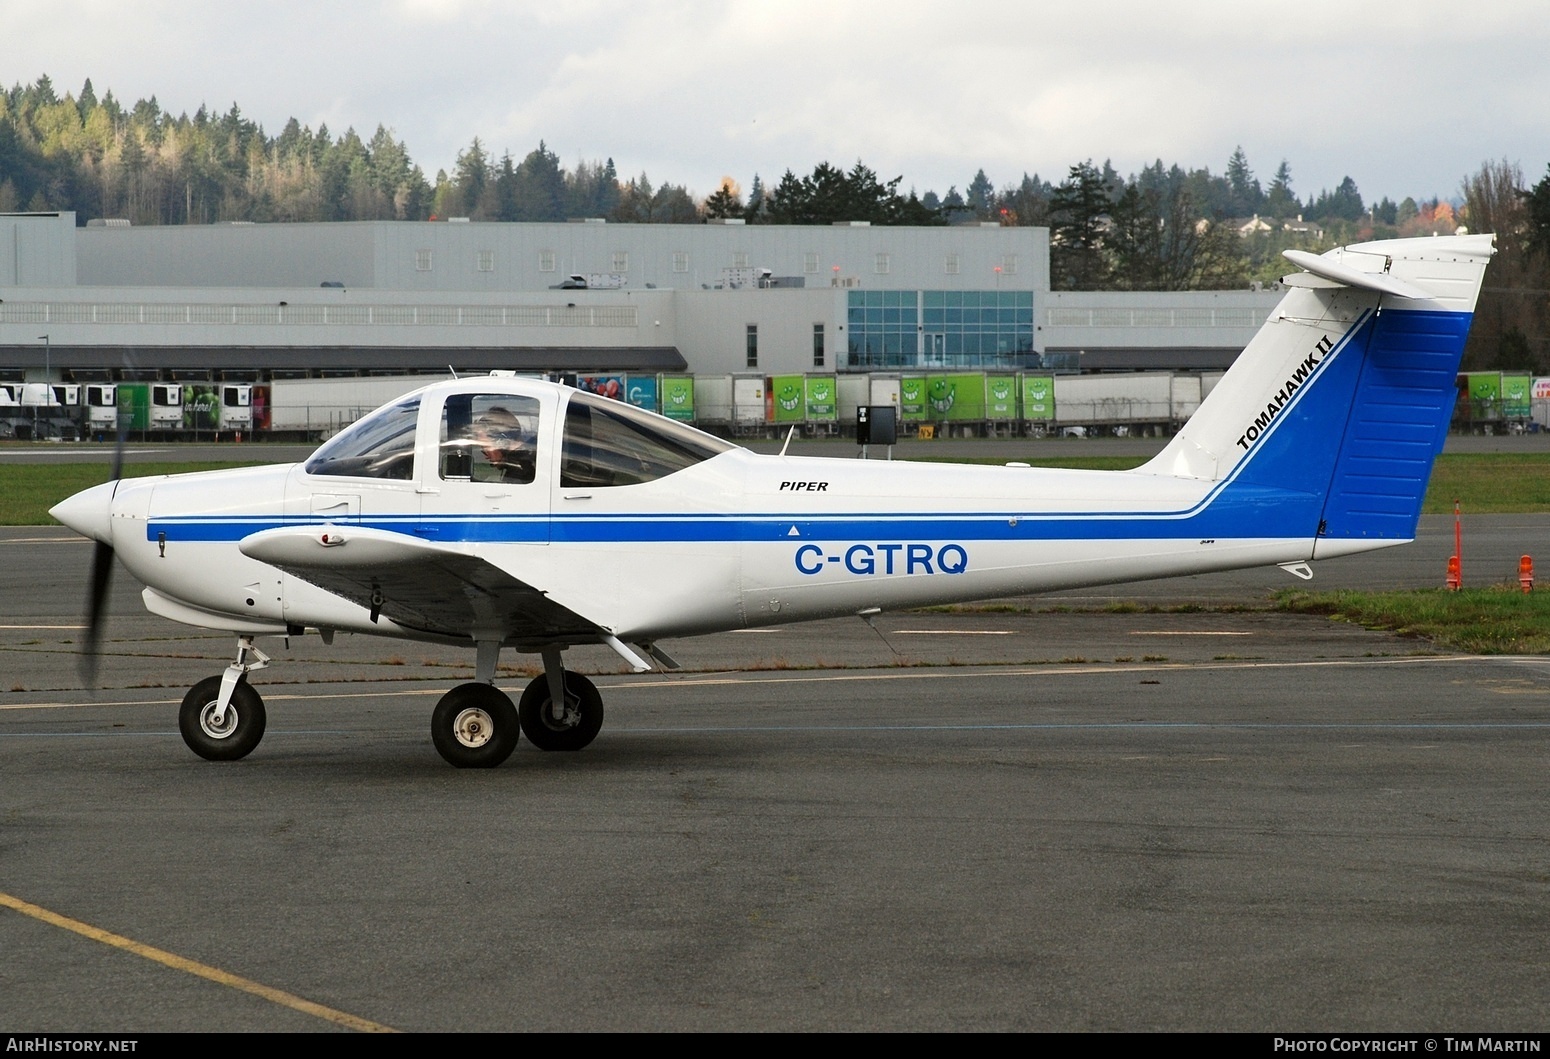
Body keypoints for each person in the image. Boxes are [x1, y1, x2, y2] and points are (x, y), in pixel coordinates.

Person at [473, 406, 535, 484]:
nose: (486, 455)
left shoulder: (518, 476)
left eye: (486, 448)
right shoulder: (529, 462)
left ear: (501, 442)